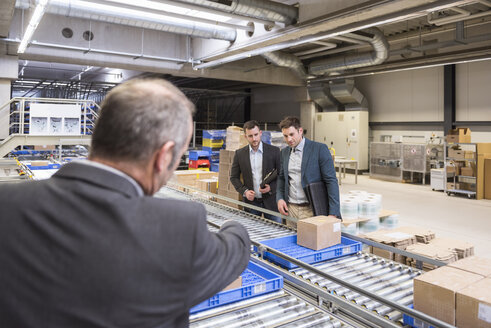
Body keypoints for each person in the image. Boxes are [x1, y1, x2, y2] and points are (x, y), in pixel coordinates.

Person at [0, 78, 250, 328]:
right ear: (163, 157)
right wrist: (232, 224)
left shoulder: (7, 204)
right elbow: (236, 248)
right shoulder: (178, 230)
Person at [276, 116, 341, 226]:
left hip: (312, 209)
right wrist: (280, 198)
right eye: (285, 136)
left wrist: (333, 213)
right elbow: (282, 178)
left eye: (292, 134)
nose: (289, 139)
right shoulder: (284, 153)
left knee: (312, 242)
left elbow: (331, 181)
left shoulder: (319, 149)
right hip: (291, 209)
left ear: (300, 131)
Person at [230, 120, 282, 223]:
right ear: (245, 136)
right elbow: (234, 177)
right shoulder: (239, 154)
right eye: (250, 136)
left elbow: (282, 175)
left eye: (256, 134)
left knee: (276, 234)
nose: (254, 139)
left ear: (260, 133)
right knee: (252, 235)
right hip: (251, 204)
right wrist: (245, 191)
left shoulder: (274, 151)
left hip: (272, 202)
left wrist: (271, 188)